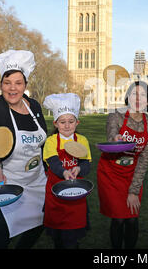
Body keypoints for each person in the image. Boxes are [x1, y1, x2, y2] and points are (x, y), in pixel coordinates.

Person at [0, 50, 47, 249]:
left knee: (41, 221)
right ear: (1, 85)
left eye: (18, 83)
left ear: (25, 85)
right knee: (2, 232)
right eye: (7, 83)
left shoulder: (33, 105)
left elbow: (43, 141)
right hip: (7, 179)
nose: (12, 88)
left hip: (36, 180)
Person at [97, 81, 148, 249]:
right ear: (127, 97)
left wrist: (134, 190)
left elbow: (145, 159)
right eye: (134, 94)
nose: (137, 99)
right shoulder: (115, 116)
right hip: (111, 173)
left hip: (133, 172)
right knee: (118, 218)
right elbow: (111, 138)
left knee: (132, 217)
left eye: (142, 95)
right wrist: (115, 140)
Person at [42, 93, 92, 249]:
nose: (67, 125)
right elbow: (54, 163)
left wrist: (79, 168)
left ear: (77, 122)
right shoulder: (51, 141)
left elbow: (86, 164)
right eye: (62, 122)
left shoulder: (82, 140)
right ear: (56, 123)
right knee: (58, 238)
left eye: (71, 121)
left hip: (76, 196)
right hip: (55, 196)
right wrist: (64, 172)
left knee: (71, 239)